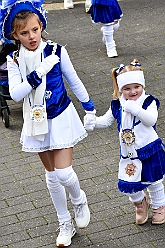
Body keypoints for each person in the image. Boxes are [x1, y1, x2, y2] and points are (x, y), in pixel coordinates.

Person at [1, 0, 96, 246]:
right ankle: (64, 223)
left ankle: (79, 200)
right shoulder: (14, 59)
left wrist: (89, 108)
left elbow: (73, 80)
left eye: (35, 29)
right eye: (24, 33)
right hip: (36, 121)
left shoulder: (56, 51)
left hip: (61, 115)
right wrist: (37, 73)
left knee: (64, 173)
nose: (31, 36)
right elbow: (16, 94)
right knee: (52, 175)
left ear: (41, 25)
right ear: (15, 34)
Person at [85, 59, 165, 225]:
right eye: (127, 88)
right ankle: (140, 203)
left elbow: (150, 120)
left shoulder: (149, 101)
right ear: (121, 89)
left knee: (154, 182)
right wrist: (93, 122)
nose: (133, 91)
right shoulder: (118, 104)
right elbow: (106, 121)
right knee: (128, 183)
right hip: (129, 153)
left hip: (149, 150)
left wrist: (135, 109)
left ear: (142, 85)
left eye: (136, 87)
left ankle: (159, 208)